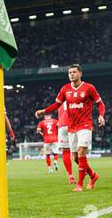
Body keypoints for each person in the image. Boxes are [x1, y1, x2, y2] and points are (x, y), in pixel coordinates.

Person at [35, 64, 105, 192]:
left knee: (81, 150)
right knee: (75, 157)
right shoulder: (65, 89)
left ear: (80, 74)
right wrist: (44, 111)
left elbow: (100, 103)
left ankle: (79, 184)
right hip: (71, 127)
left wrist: (101, 115)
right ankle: (93, 176)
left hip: (85, 125)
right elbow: (57, 104)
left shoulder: (89, 87)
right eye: (69, 73)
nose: (71, 74)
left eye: (74, 72)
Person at [58, 101, 76, 184]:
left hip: (62, 126)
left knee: (65, 151)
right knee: (79, 149)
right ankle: (85, 168)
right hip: (72, 123)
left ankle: (70, 175)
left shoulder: (59, 104)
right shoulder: (73, 96)